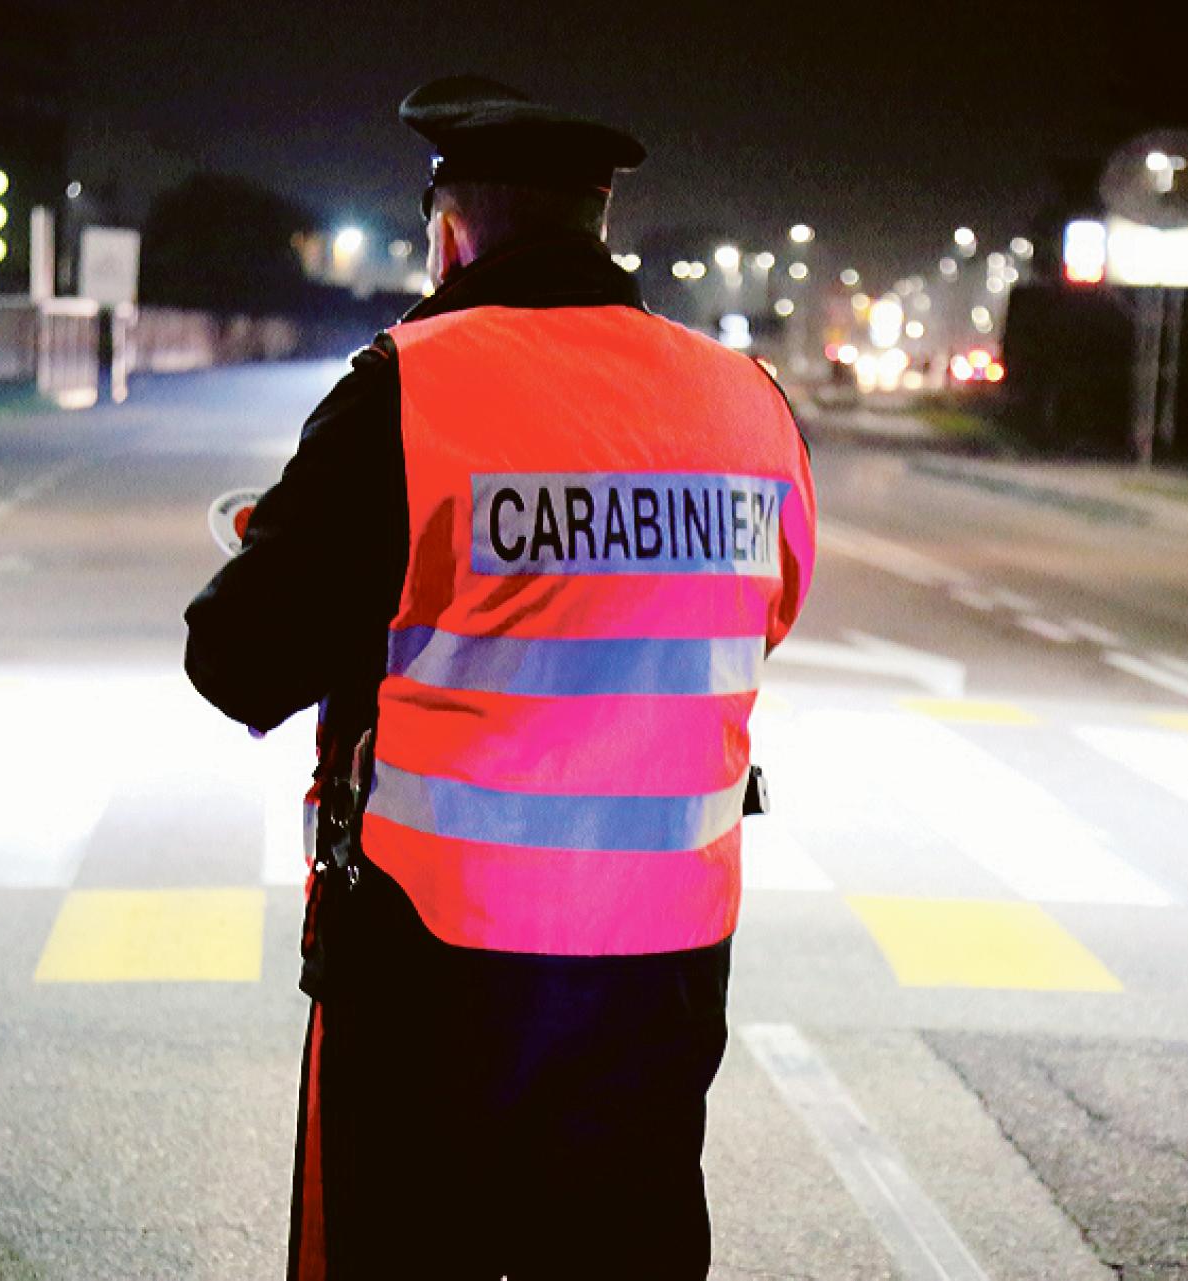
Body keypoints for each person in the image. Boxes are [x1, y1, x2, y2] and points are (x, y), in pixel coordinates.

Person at [184, 74, 816, 1279]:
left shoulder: (412, 385)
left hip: (445, 969)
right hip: (666, 967)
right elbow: (762, 612)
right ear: (596, 221)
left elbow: (238, 656)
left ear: (452, 229)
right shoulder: (747, 404)